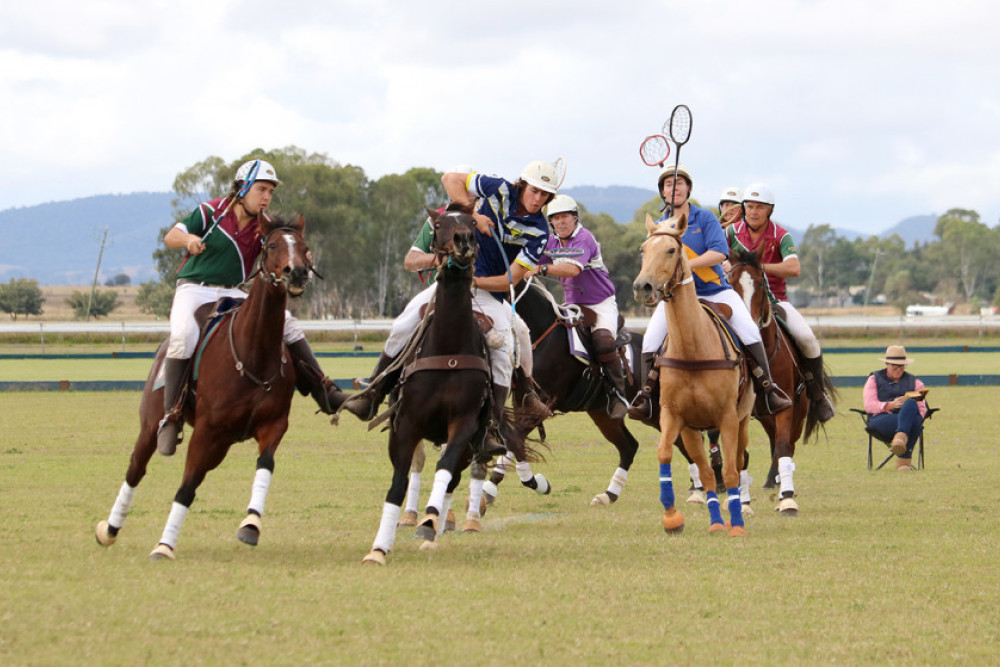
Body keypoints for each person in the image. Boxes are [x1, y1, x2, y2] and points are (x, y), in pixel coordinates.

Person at [342, 161, 557, 429]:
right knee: (402, 325)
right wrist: (474, 215)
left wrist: (475, 280)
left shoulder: (539, 231)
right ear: (523, 184)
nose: (537, 199)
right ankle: (372, 395)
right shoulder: (498, 188)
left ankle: (492, 424)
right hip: (449, 285)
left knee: (503, 351)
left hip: (489, 294)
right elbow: (450, 179)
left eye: (544, 194)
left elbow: (511, 278)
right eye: (534, 190)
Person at [158, 158, 347, 455]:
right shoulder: (211, 211)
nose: (266, 197)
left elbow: (282, 253)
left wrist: (301, 263)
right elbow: (171, 236)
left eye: (270, 192)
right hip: (196, 289)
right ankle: (171, 416)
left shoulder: (264, 227)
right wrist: (190, 239)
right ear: (243, 187)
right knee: (182, 337)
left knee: (289, 325)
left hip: (234, 292)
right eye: (261, 189)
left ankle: (325, 391)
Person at [628, 164, 792, 420]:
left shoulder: (704, 218)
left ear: (688, 188)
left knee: (749, 331)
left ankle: (769, 390)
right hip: (677, 298)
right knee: (649, 341)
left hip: (715, 291)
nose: (675, 188)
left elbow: (720, 253)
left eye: (679, 183)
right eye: (669, 185)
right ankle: (646, 397)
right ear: (663, 191)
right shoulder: (660, 226)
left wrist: (684, 265)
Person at [725, 183, 836, 422]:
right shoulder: (731, 232)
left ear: (769, 210)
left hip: (775, 301)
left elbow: (794, 268)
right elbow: (718, 257)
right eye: (749, 206)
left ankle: (818, 395)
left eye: (759, 207)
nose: (753, 211)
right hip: (735, 301)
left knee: (807, 338)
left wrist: (757, 268)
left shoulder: (780, 235)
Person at [529, 194, 629, 419]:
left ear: (575, 218)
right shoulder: (551, 242)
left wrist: (543, 270)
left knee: (603, 343)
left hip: (600, 303)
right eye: (555, 218)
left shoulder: (584, 238)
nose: (561, 222)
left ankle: (618, 395)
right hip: (572, 305)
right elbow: (531, 262)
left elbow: (572, 269)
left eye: (565, 217)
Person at [862, 345, 928, 471]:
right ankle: (903, 461)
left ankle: (900, 438)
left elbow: (921, 408)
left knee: (911, 405)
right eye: (894, 366)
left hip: (908, 420)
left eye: (901, 366)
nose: (898, 369)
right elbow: (869, 405)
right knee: (913, 424)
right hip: (882, 419)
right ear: (887, 364)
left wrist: (909, 413)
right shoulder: (873, 379)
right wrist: (889, 405)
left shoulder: (916, 382)